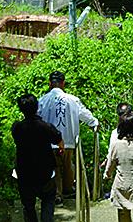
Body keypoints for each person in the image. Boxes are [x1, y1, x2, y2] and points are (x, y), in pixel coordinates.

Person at [38, 70, 99, 201]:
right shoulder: (73, 100)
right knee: (67, 166)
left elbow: (36, 118)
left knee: (54, 168)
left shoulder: (43, 100)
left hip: (49, 142)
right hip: (69, 141)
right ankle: (66, 190)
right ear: (63, 83)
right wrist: (94, 123)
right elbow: (85, 115)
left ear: (50, 83)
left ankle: (57, 194)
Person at [11, 93, 64, 222]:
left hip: (24, 173)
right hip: (45, 172)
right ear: (37, 107)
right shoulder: (45, 127)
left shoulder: (17, 128)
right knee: (48, 200)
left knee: (28, 206)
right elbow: (59, 141)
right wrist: (61, 150)